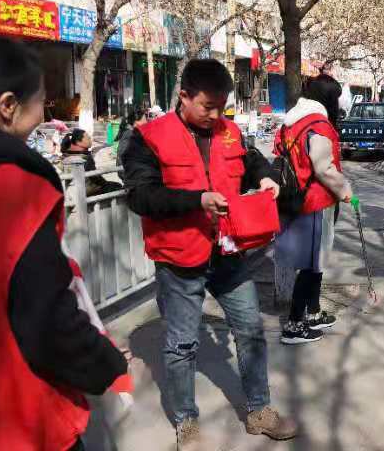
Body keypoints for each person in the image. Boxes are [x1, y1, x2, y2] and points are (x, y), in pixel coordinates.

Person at [122, 59, 296, 449]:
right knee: (182, 344)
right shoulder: (147, 137)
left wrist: (266, 176)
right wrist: (196, 200)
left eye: (221, 107)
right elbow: (141, 196)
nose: (215, 115)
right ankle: (186, 420)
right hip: (179, 258)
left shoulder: (229, 132)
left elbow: (252, 161)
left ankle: (259, 410)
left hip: (229, 253)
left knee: (250, 330)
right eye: (207, 106)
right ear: (184, 96)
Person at [0, 38, 128, 451]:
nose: (45, 115)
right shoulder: (15, 188)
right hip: (21, 420)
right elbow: (46, 318)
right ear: (8, 105)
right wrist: (104, 363)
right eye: (42, 102)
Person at [274, 74, 353, 345]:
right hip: (316, 201)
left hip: (298, 199)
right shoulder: (318, 124)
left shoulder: (292, 121)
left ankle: (314, 312)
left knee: (315, 262)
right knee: (310, 265)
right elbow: (323, 168)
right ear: (328, 98)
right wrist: (345, 190)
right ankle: (294, 325)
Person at [61, 127, 123, 196]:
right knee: (117, 187)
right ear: (78, 142)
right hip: (87, 191)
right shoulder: (84, 157)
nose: (90, 140)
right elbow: (95, 178)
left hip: (72, 191)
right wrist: (105, 183)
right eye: (88, 138)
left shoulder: (67, 153)